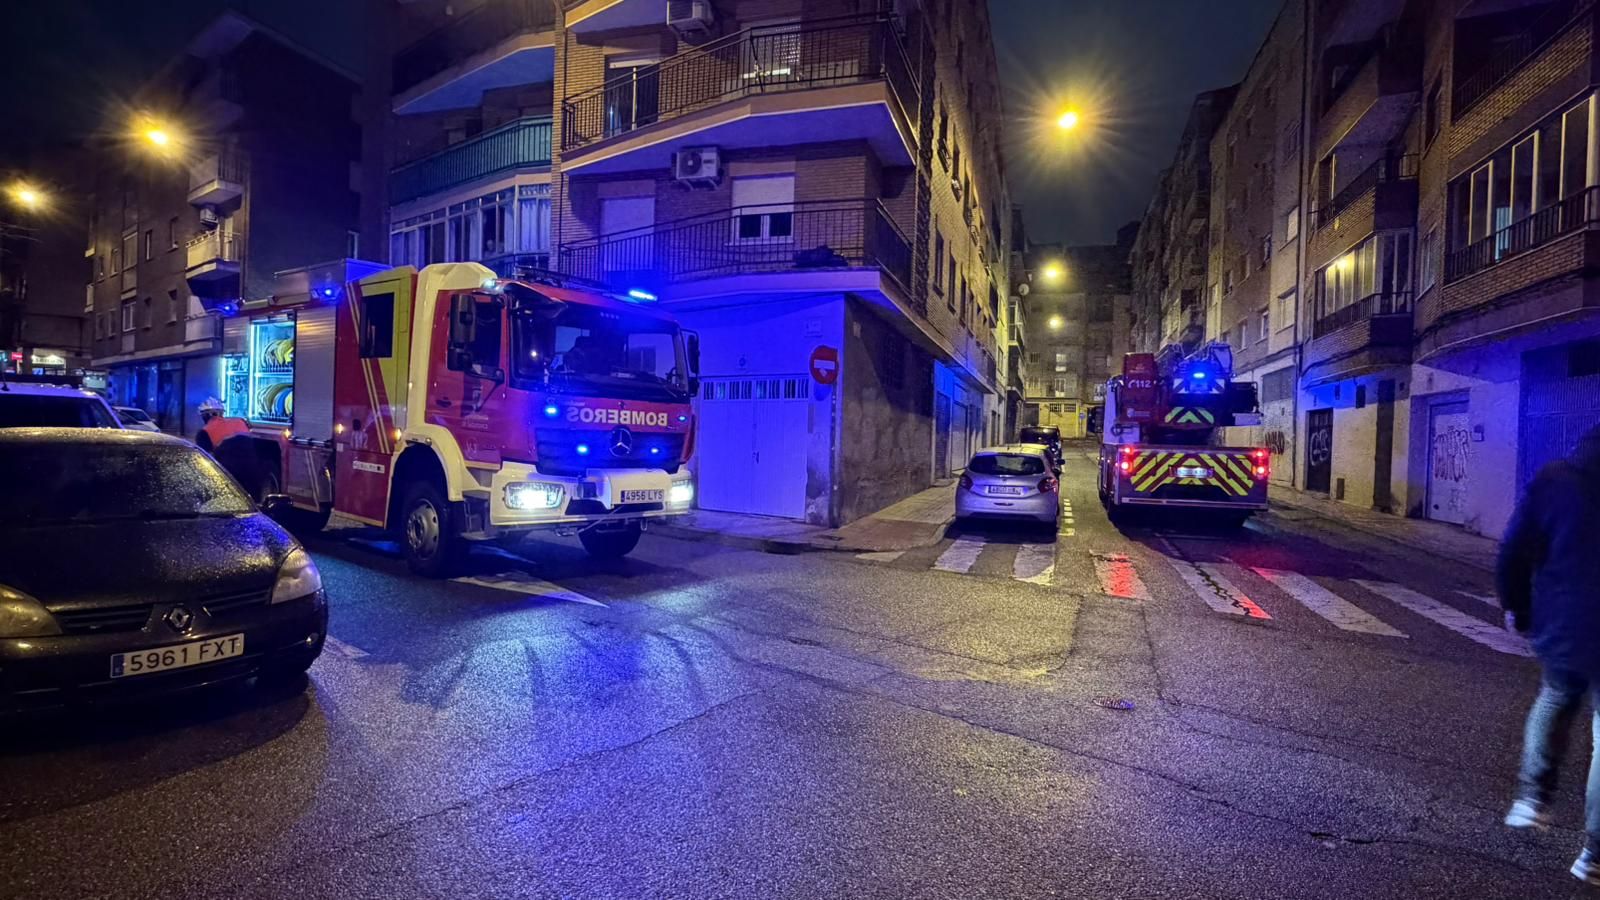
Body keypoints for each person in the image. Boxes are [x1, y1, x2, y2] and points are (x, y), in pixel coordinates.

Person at [1499, 424, 1600, 886]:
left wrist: (1516, 606)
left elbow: (1514, 547)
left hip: (1566, 622)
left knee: (1557, 696)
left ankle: (1533, 799)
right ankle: (1594, 854)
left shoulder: (1556, 478)